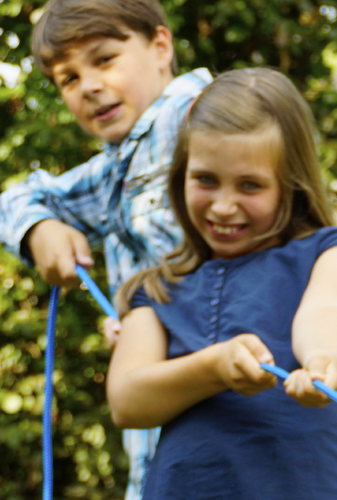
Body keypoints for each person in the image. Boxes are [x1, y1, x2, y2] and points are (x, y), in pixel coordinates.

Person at [106, 67, 337, 499]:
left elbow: (328, 308)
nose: (223, 205)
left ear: (290, 185)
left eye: (250, 185)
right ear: (182, 176)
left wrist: (321, 359)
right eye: (206, 180)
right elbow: (126, 399)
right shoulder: (158, 289)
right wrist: (215, 367)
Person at [0, 0, 212, 497]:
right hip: (160, 444)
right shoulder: (117, 165)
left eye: (104, 59)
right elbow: (16, 199)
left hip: (228, 423)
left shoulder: (199, 114)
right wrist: (39, 230)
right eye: (68, 79)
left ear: (161, 46)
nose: (89, 86)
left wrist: (163, 321)